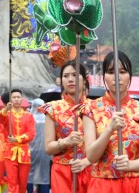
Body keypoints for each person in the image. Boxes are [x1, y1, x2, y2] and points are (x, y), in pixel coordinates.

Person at [82, 51, 139, 193]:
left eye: (122, 71)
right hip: (103, 185)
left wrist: (131, 164)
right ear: (104, 76)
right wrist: (109, 129)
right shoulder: (90, 109)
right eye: (111, 72)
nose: (117, 76)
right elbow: (91, 156)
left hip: (135, 184)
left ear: (130, 76)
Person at [42, 63, 91, 193]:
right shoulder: (53, 108)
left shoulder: (96, 108)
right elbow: (48, 148)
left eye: (75, 75)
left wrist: (86, 161)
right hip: (63, 172)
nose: (70, 79)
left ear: (84, 79)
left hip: (90, 169)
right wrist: (65, 141)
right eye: (66, 76)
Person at [27, 98, 50, 193]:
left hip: (30, 150)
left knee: (30, 173)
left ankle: (29, 190)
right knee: (44, 174)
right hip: (45, 151)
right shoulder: (47, 119)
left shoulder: (29, 118)